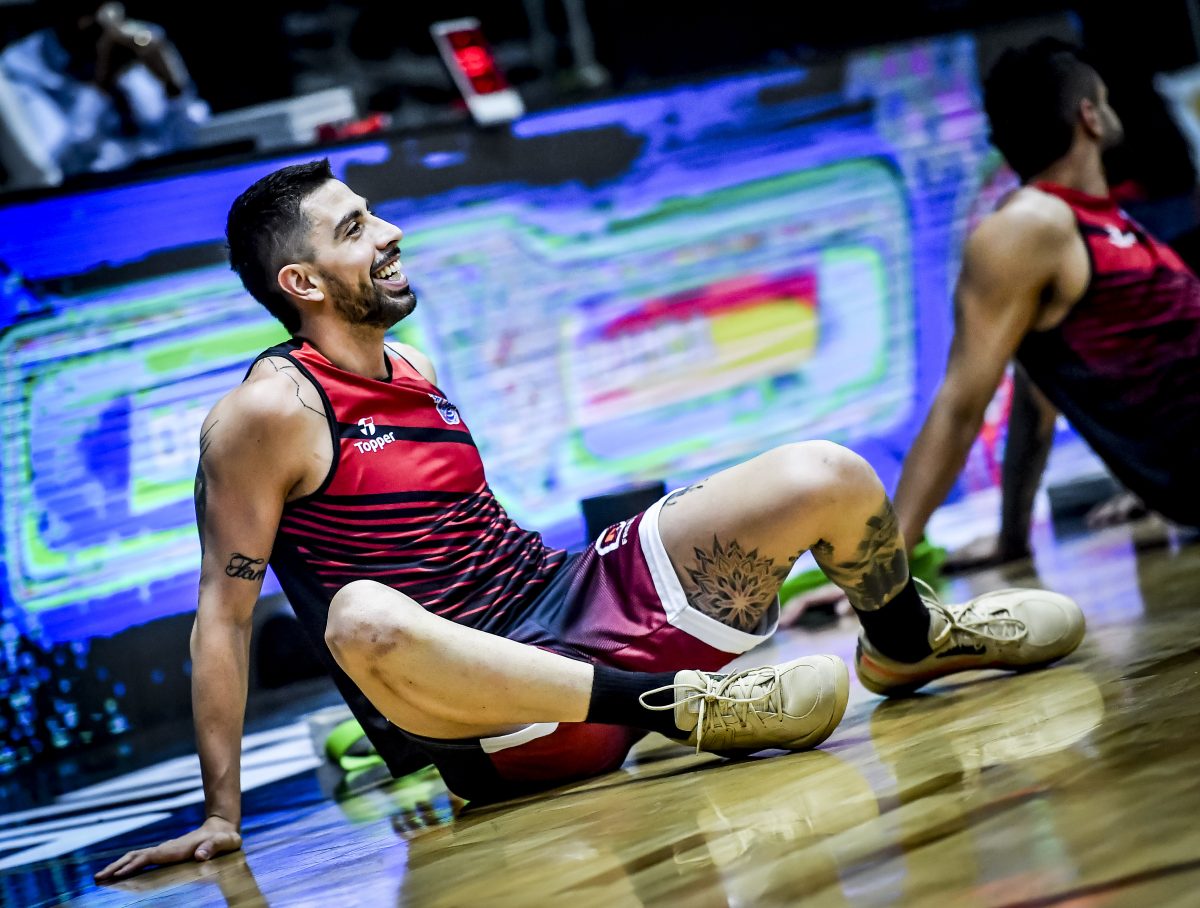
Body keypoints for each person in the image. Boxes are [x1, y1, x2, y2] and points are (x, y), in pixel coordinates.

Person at [95, 159, 1085, 881]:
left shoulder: (412, 366)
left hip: (566, 598)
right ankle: (690, 709)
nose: (388, 231)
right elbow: (222, 617)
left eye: (374, 212)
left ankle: (905, 643)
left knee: (824, 472)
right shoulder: (264, 414)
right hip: (496, 716)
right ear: (302, 283)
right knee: (359, 618)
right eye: (355, 227)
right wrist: (222, 813)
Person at [892, 38, 1200, 562]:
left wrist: (1012, 537)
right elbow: (960, 405)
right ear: (1089, 117)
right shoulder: (1033, 224)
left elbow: (1035, 402)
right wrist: (879, 572)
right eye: (1105, 99)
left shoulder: (1101, 222)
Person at [0, 1, 206, 189]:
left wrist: (173, 89)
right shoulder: (20, 66)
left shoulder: (144, 38)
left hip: (166, 182)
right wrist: (102, 88)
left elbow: (188, 139)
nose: (99, 21)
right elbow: (51, 169)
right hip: (86, 198)